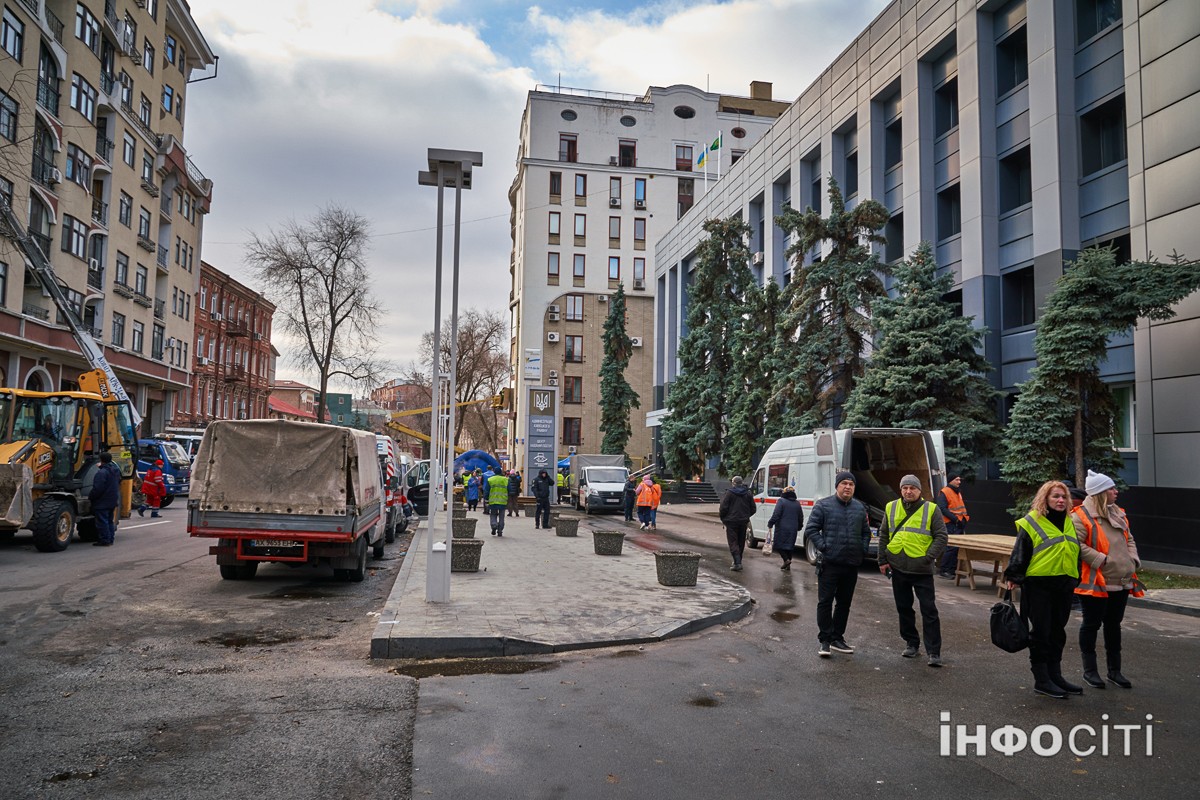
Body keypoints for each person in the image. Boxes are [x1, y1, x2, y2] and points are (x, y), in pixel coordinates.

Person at [1004, 480, 1082, 699]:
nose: (1060, 500)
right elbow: (1020, 550)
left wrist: (1075, 577)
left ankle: (1055, 675)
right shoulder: (1032, 522)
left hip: (1063, 586)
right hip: (1039, 587)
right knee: (1041, 633)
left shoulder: (1068, 522)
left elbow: (1074, 550)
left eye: (1063, 497)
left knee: (1058, 632)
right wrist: (1014, 575)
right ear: (1045, 499)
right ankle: (1042, 680)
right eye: (1055, 496)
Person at [1074, 469, 1142, 690]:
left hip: (1121, 579)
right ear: (1101, 493)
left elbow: (1128, 538)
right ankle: (1090, 671)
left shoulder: (1118, 513)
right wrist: (1101, 560)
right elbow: (1076, 544)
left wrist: (1133, 559)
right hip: (1097, 581)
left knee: (1113, 625)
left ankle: (1115, 671)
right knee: (1091, 625)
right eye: (1112, 489)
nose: (1116, 491)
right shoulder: (1080, 516)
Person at [878, 474, 948, 667]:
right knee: (903, 608)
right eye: (905, 488)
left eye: (912, 488)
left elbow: (941, 536)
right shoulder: (891, 507)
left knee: (929, 610)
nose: (908, 491)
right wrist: (882, 560)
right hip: (898, 567)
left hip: (921, 570)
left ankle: (934, 652)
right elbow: (884, 534)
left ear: (919, 490)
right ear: (901, 490)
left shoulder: (931, 509)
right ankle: (911, 643)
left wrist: (928, 558)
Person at [804, 471, 871, 658]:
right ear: (837, 486)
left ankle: (837, 638)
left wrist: (862, 548)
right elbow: (811, 529)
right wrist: (824, 547)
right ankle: (825, 640)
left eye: (851, 484)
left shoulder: (859, 508)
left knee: (844, 603)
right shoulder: (823, 506)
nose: (848, 487)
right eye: (844, 483)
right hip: (829, 564)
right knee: (825, 602)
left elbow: (866, 532)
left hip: (851, 564)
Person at [935, 471, 969, 579]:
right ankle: (944, 570)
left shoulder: (957, 492)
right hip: (951, 523)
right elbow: (942, 508)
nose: (959, 482)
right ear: (951, 481)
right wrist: (955, 519)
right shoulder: (945, 492)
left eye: (959, 479)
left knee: (956, 548)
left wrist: (962, 520)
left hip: (958, 523)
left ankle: (951, 570)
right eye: (957, 479)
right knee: (950, 548)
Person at [719, 475, 756, 571]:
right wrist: (746, 515)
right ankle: (737, 561)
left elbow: (723, 508)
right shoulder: (748, 493)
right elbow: (753, 508)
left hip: (731, 521)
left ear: (733, 483)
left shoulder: (729, 493)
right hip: (743, 521)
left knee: (733, 542)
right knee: (740, 542)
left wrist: (724, 518)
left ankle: (737, 562)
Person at [88, 451, 121, 547]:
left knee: (102, 522)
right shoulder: (115, 470)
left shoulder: (101, 473)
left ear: (101, 460)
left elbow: (98, 488)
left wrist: (91, 497)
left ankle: (105, 540)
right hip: (112, 500)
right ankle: (110, 539)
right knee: (109, 521)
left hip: (102, 501)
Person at [767, 486, 803, 571]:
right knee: (789, 546)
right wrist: (800, 526)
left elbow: (776, 514)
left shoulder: (781, 501)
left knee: (778, 545)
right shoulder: (797, 503)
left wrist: (771, 522)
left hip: (782, 527)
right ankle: (787, 565)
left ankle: (786, 560)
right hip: (793, 528)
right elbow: (800, 516)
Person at [486, 469, 510, 536]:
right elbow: (510, 489)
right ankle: (500, 531)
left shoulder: (490, 479)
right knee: (501, 516)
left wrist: (486, 498)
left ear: (494, 472)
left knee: (493, 514)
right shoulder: (506, 480)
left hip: (493, 500)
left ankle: (494, 525)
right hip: (503, 501)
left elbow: (486, 490)